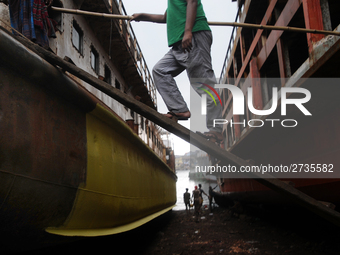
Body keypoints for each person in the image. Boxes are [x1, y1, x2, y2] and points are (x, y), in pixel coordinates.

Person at [132, 0, 223, 143]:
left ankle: (216, 130)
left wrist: (188, 31)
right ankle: (179, 109)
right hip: (178, 43)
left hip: (193, 36)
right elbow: (165, 17)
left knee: (204, 84)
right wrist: (143, 16)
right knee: (160, 70)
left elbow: (192, 1)